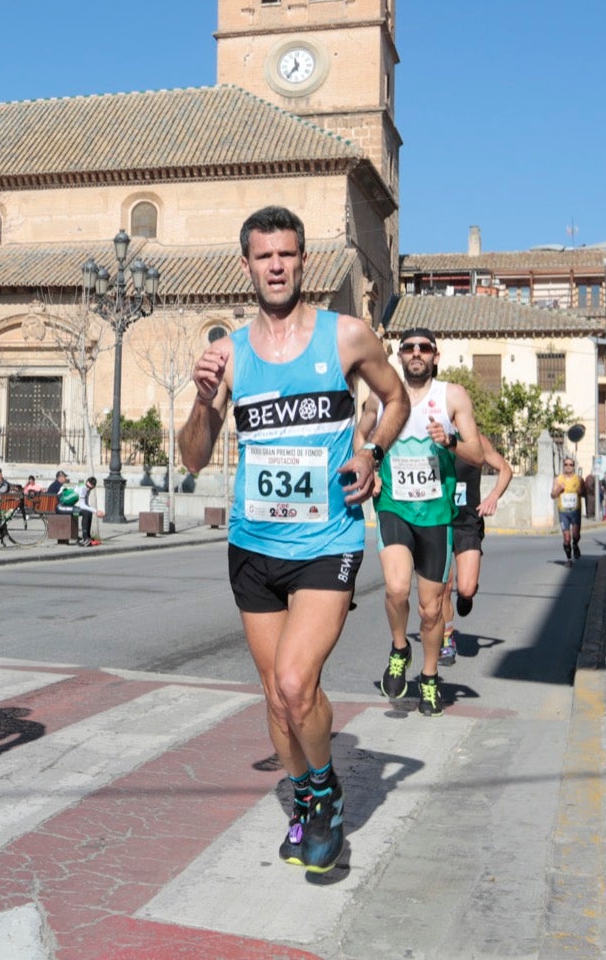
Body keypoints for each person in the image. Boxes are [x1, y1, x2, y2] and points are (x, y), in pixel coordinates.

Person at [179, 205, 407, 876]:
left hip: (327, 539)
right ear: (246, 264)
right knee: (276, 698)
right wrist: (201, 401)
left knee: (295, 680)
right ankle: (309, 797)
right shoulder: (230, 354)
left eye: (287, 254)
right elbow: (193, 458)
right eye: (264, 255)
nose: (276, 265)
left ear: (304, 260)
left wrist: (369, 451)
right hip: (253, 545)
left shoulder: (346, 337)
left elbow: (394, 399)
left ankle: (326, 795)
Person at [369, 329, 485, 718]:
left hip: (436, 515)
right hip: (393, 506)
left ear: (436, 356)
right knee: (397, 587)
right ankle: (400, 648)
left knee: (431, 609)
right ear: (399, 356)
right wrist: (370, 466)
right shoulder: (381, 393)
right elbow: (361, 433)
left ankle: (430, 676)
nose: (416, 353)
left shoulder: (453, 396)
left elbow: (478, 454)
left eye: (424, 348)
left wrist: (450, 441)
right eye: (408, 348)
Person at [442, 437, 514, 667]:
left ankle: (466, 595)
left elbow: (505, 469)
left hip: (468, 522)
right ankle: (447, 640)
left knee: (466, 587)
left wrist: (493, 496)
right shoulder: (431, 435)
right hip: (438, 520)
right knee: (445, 585)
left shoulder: (476, 442)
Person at [551, 457, 584, 563]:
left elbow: (586, 492)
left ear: (574, 466)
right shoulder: (558, 479)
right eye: (566, 464)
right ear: (563, 466)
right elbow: (552, 495)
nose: (568, 467)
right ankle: (569, 558)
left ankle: (575, 544)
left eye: (571, 465)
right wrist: (559, 489)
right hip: (563, 512)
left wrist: (581, 491)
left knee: (575, 535)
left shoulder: (579, 479)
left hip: (575, 511)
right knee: (566, 538)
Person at [73, 475, 103, 546]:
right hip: (69, 507)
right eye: (87, 486)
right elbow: (82, 505)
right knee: (86, 513)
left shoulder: (87, 489)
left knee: (88, 512)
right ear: (86, 482)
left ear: (93, 487)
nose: (88, 488)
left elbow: (85, 503)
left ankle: (88, 536)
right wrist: (96, 511)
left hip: (75, 506)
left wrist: (92, 510)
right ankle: (85, 538)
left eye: (90, 488)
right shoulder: (83, 488)